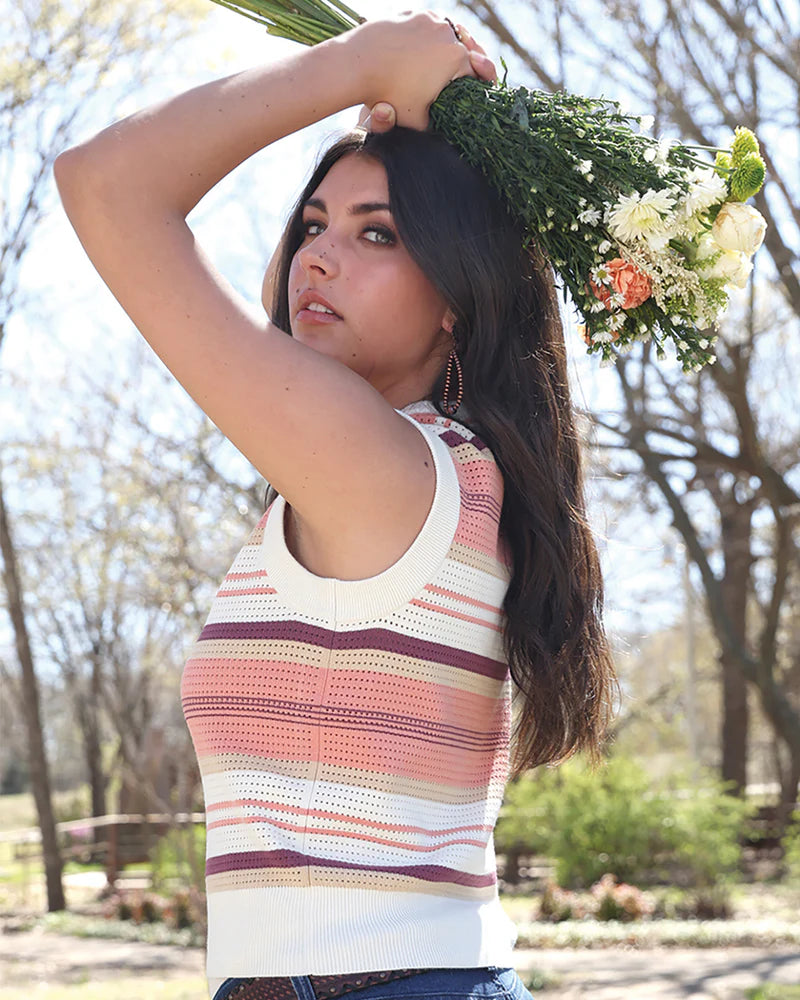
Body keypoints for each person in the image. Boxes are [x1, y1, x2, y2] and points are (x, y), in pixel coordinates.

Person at [54, 10, 617, 1000]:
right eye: (312, 225)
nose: (316, 258)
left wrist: (355, 64)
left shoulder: (387, 468)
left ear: (454, 294)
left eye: (375, 233)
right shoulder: (443, 474)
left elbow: (106, 183)